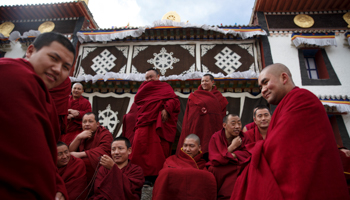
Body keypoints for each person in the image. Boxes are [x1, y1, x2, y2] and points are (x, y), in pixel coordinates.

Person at [232, 63, 349, 200]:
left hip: (309, 184)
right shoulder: (284, 106)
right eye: (260, 87)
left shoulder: (302, 99)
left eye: (265, 82)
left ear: (284, 77)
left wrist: (252, 150)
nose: (263, 90)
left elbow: (282, 146)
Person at [0, 32, 75, 200]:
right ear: (31, 51)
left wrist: (57, 185)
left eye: (65, 67)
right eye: (53, 58)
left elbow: (43, 154)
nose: (57, 70)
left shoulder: (40, 93)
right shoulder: (11, 74)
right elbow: (24, 156)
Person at [130, 68, 180, 185]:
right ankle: (140, 174)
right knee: (140, 146)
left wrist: (166, 108)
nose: (149, 79)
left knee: (157, 149)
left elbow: (175, 101)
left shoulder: (165, 87)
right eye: (147, 77)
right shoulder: (143, 89)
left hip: (159, 124)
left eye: (151, 76)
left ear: (158, 77)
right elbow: (138, 101)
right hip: (144, 122)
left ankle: (157, 175)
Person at [152, 134, 217, 200]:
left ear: (199, 148)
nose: (187, 149)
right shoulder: (172, 159)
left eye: (192, 146)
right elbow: (165, 173)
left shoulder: (202, 163)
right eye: (185, 146)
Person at [177, 74, 228, 155]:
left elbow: (222, 115)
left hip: (213, 127)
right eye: (202, 81)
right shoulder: (195, 96)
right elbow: (190, 115)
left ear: (212, 82)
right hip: (198, 126)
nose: (204, 83)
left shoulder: (219, 97)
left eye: (206, 81)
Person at [207, 114, 250, 200]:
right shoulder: (216, 137)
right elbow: (215, 159)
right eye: (233, 123)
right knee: (212, 169)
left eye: (239, 123)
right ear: (224, 125)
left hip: (236, 166)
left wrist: (232, 155)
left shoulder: (244, 137)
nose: (237, 126)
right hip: (221, 167)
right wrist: (232, 148)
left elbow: (248, 154)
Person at [69, 112, 114, 185]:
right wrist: (78, 138)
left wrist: (80, 154)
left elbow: (104, 151)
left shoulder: (105, 134)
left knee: (80, 163)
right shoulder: (82, 134)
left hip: (96, 167)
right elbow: (70, 152)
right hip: (82, 165)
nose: (87, 124)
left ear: (97, 124)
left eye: (90, 121)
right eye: (84, 122)